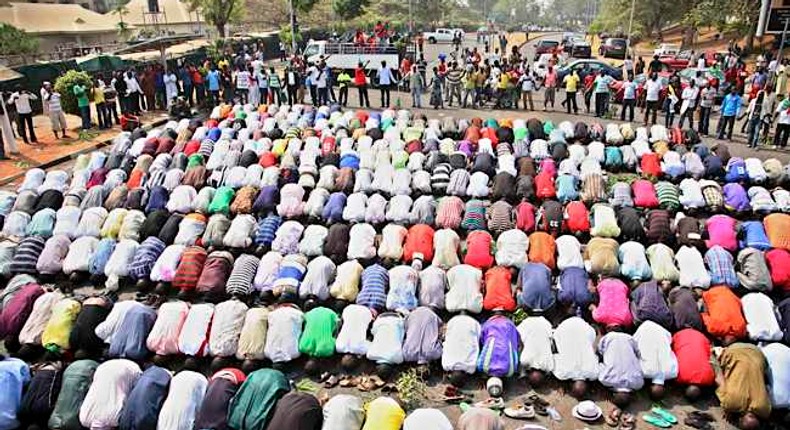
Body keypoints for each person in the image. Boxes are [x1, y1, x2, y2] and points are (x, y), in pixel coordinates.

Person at [714, 343, 771, 429]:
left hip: (757, 353)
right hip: (735, 351)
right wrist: (728, 409)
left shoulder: (765, 410)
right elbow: (719, 379)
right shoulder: (731, 404)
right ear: (740, 419)